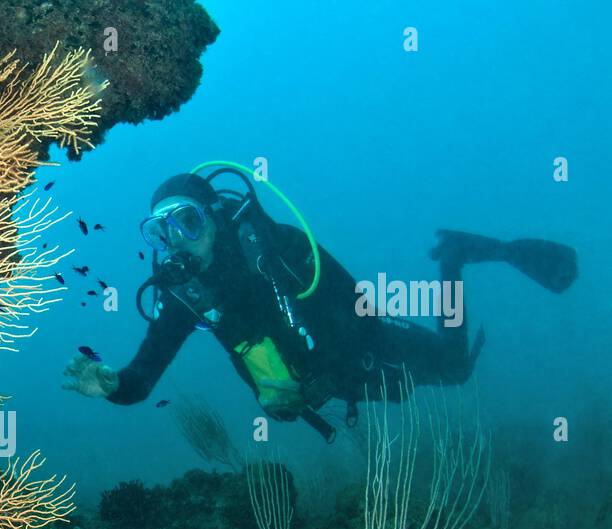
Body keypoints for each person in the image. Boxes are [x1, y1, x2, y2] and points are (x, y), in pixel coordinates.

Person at [62, 166, 579, 441]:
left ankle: (456, 258)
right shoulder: (183, 295)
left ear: (214, 216)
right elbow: (143, 375)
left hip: (364, 349)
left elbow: (356, 304)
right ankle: (457, 257)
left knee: (456, 368)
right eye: (162, 231)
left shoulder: (281, 246)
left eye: (188, 222)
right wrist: (113, 386)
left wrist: (329, 373)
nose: (177, 241)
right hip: (319, 385)